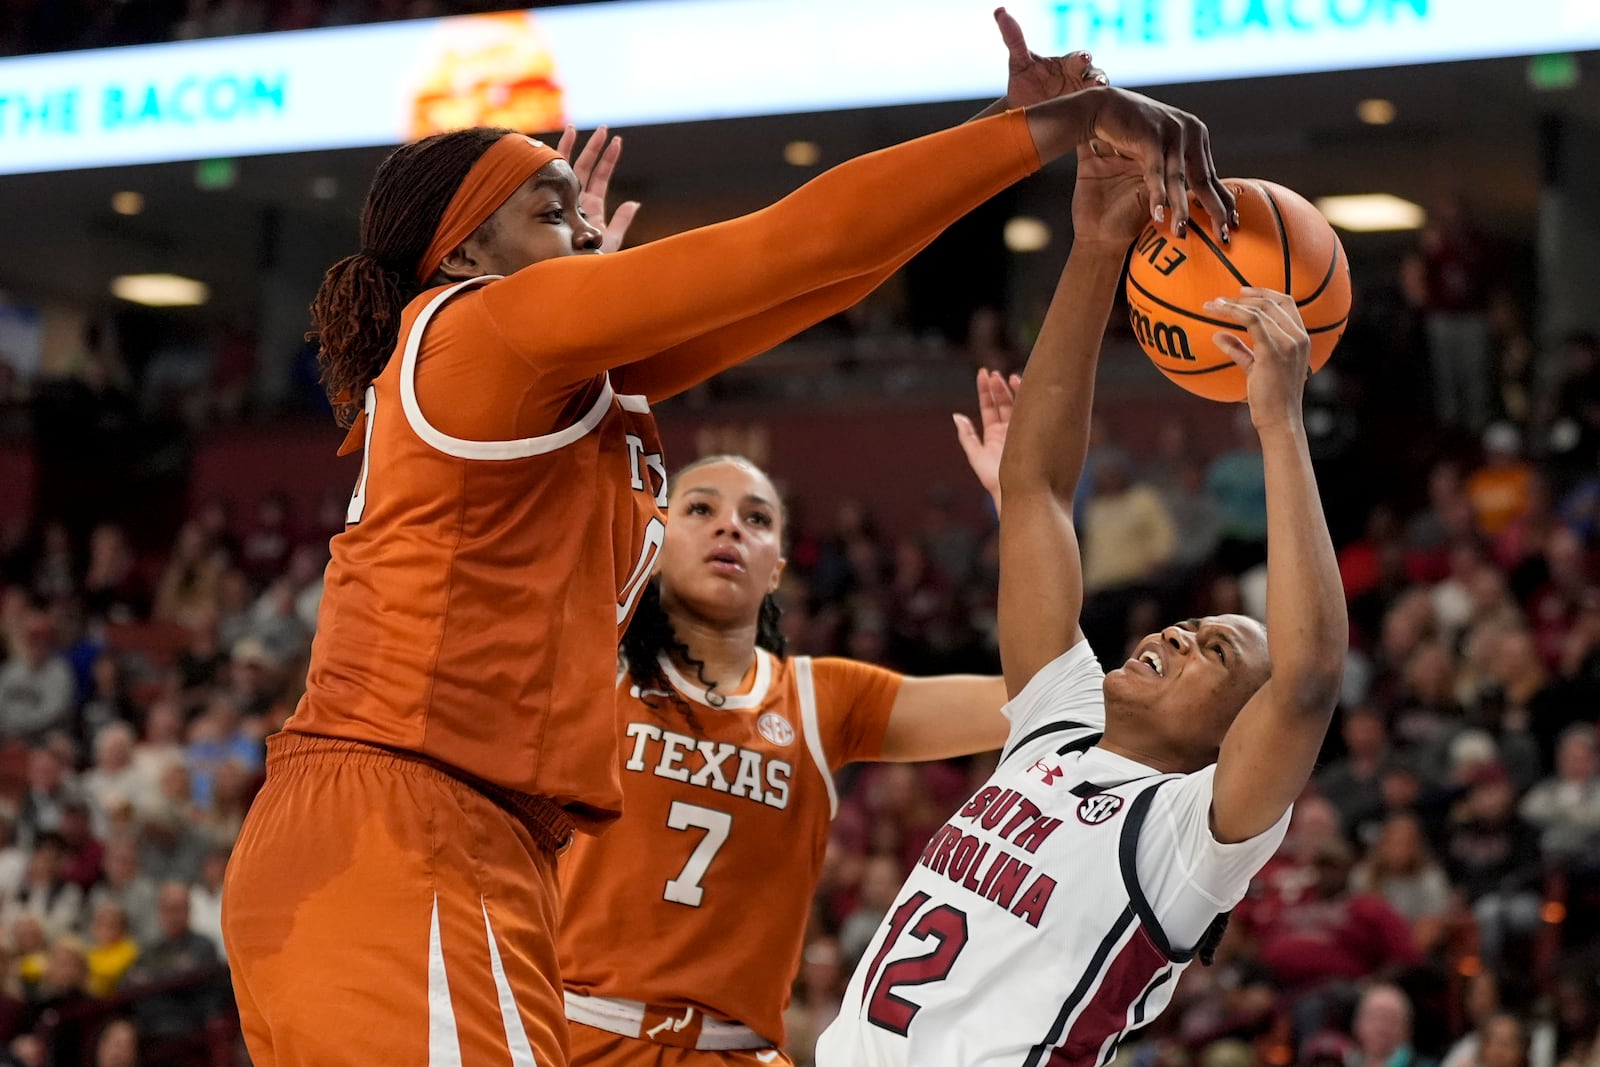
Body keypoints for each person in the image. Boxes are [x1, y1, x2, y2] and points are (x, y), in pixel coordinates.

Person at [221, 14, 1235, 1066]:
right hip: (402, 823)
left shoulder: (558, 375)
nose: (579, 226)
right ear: (465, 249)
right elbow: (798, 238)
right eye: (548, 207)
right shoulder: (486, 328)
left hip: (462, 838)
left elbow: (822, 280)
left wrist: (999, 129)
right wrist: (1065, 123)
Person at [816, 98, 1343, 1066]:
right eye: (1189, 625)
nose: (1177, 637)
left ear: (1234, 733)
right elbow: (1039, 491)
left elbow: (1307, 678)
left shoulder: (1190, 833)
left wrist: (1278, 424)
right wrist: (1097, 246)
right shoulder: (1054, 721)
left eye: (1214, 649)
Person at [558, 381, 1017, 1065]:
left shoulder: (824, 698)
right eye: (701, 508)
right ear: (654, 540)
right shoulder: (589, 668)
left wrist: (1025, 507)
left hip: (738, 1049)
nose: (730, 526)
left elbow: (1041, 698)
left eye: (757, 518)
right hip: (573, 1033)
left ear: (776, 569)